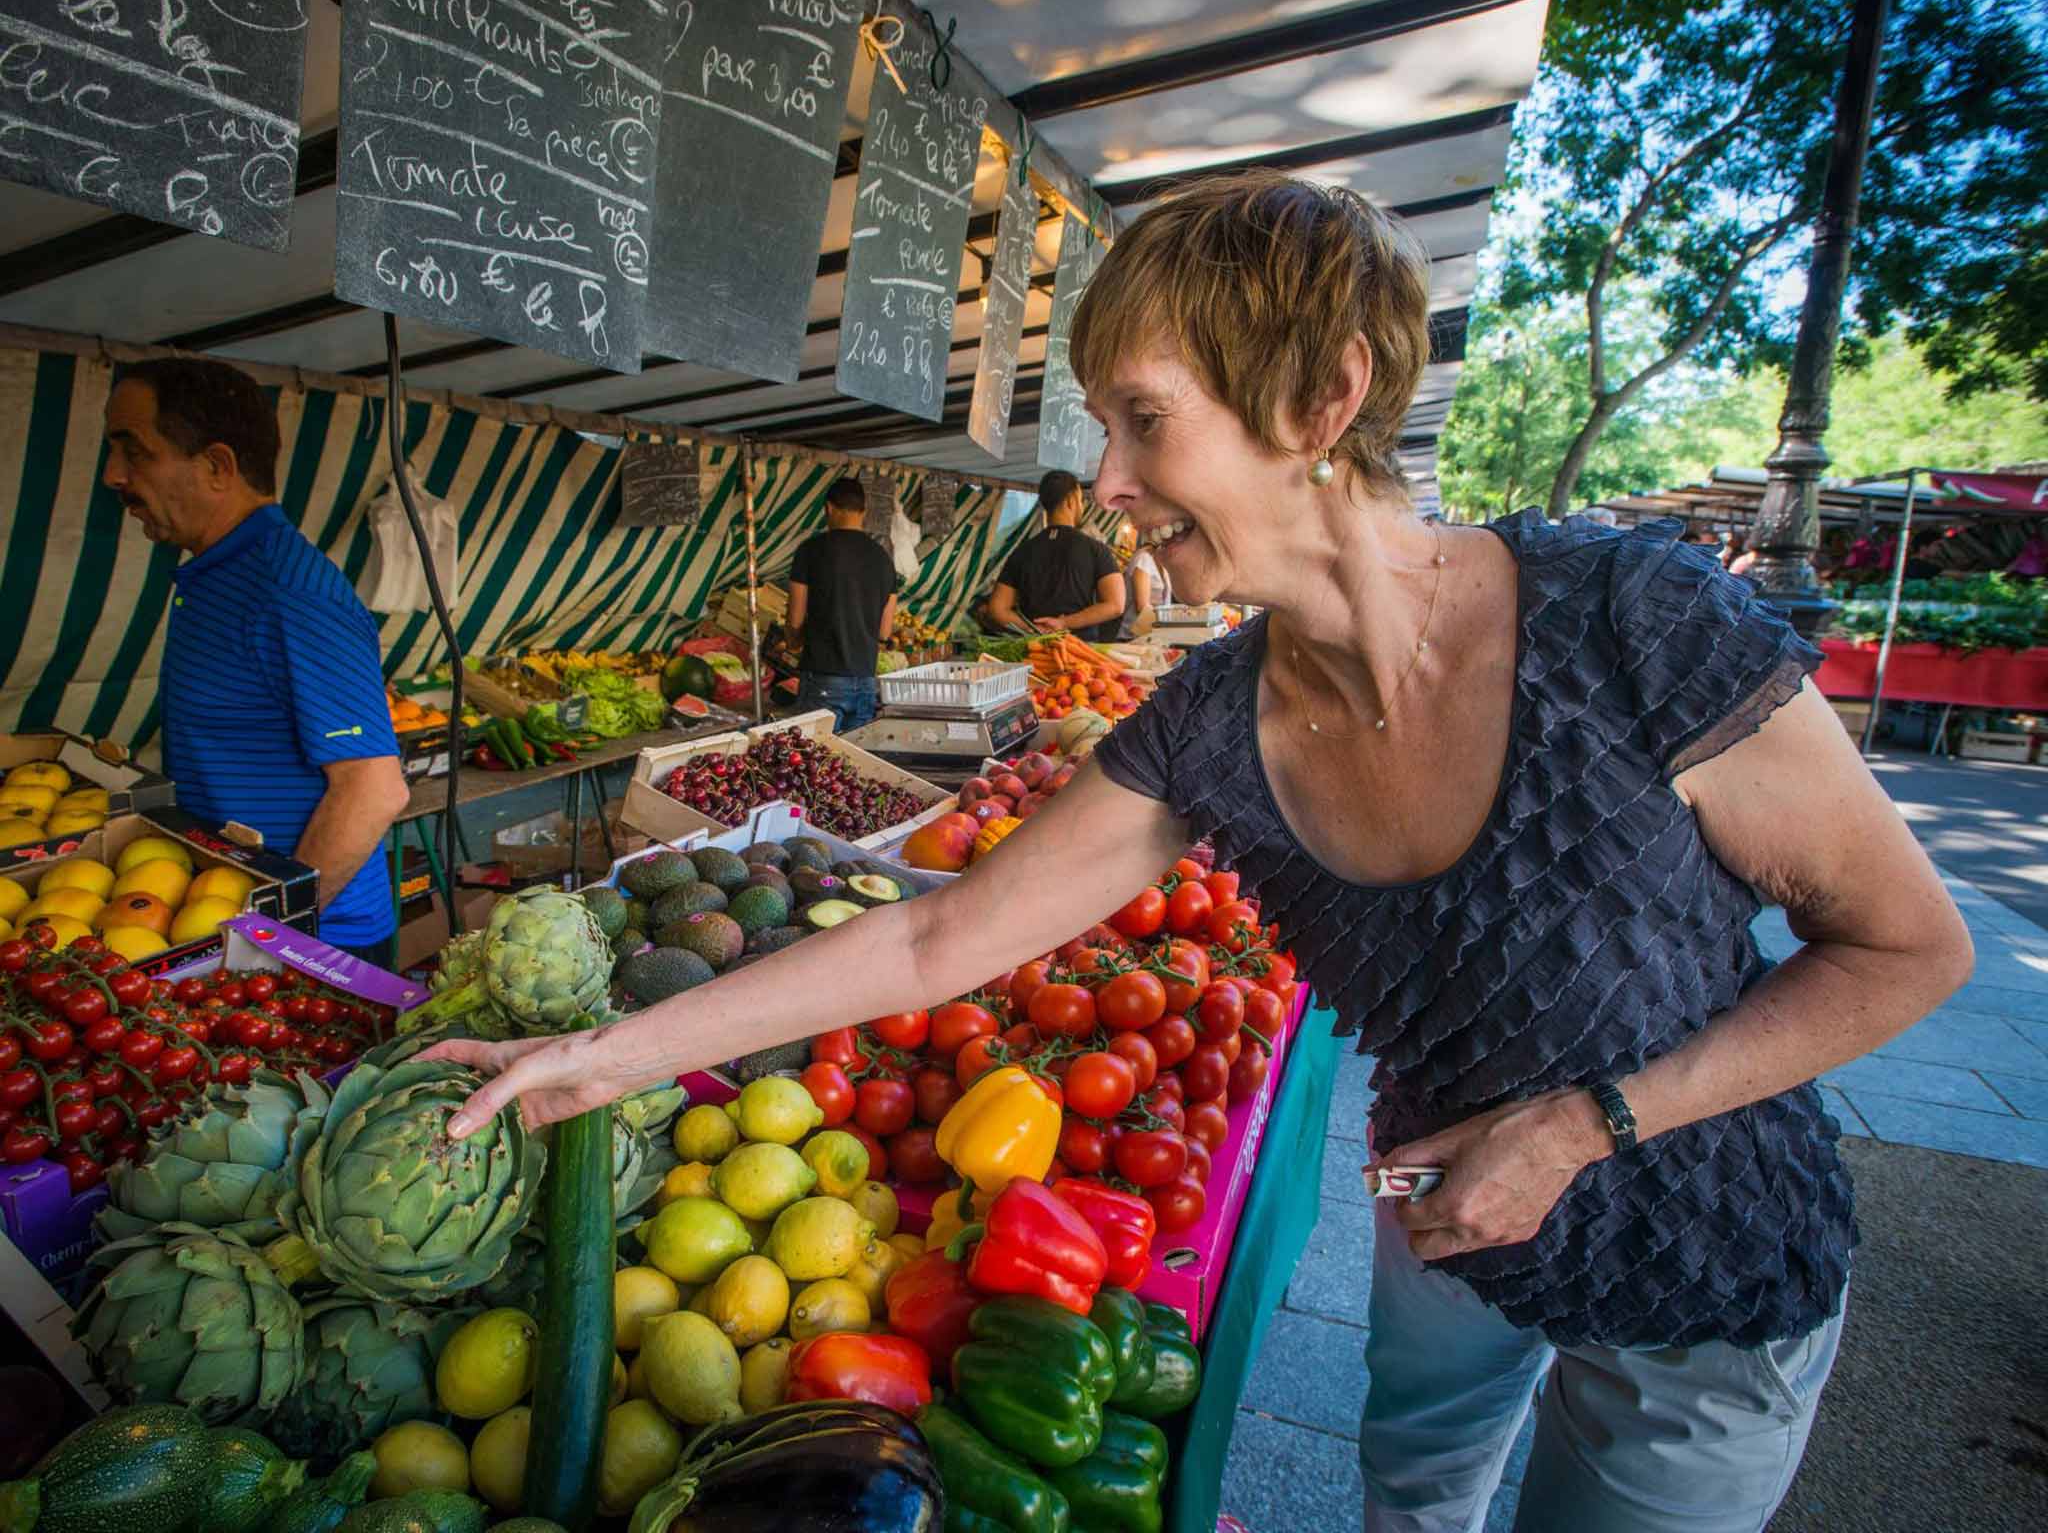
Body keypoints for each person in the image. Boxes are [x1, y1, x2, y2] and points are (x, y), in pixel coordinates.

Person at [429, 171, 1974, 1533]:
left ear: (1321, 399)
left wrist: (1580, 1127)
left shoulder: (1636, 622)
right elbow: (934, 941)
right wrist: (608, 1056)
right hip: (1444, 1222)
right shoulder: (1212, 721)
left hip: (1703, 1249)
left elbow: (1911, 948)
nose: (1103, 484)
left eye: (1143, 419)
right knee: (1413, 1498)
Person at [103, 359, 410, 967]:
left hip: (315, 946)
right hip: (233, 922)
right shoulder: (218, 573)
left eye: (133, 451)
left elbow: (374, 790)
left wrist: (265, 944)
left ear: (217, 466)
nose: (114, 476)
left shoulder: (290, 593)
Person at [784, 477, 897, 733]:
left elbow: (795, 618)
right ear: (864, 512)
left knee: (816, 760)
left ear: (829, 508)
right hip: (866, 681)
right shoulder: (883, 558)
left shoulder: (810, 551)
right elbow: (884, 632)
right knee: (852, 764)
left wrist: (792, 642)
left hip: (823, 678)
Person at [985, 470, 1125, 638]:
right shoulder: (1095, 549)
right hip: (1081, 651)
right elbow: (1116, 604)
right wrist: (1063, 623)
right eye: (1080, 500)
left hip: (1036, 649)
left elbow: (997, 609)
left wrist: (1033, 630)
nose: (1082, 506)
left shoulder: (1022, 552)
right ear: (1071, 501)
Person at [1112, 518, 1170, 640]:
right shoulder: (1143, 559)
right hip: (1134, 637)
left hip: (1154, 634)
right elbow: (1142, 606)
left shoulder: (1162, 563)